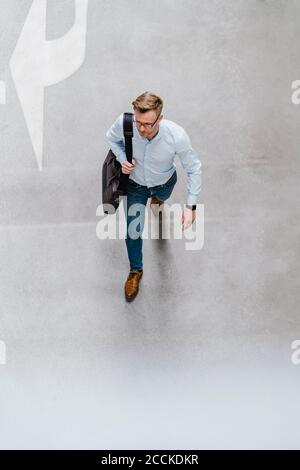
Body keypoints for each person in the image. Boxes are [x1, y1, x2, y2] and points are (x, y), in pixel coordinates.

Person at [106, 91, 202, 302]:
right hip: (136, 185)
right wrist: (122, 159)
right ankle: (135, 270)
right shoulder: (125, 123)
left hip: (164, 182)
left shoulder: (177, 136)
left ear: (161, 118)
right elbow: (111, 138)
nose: (142, 129)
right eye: (139, 122)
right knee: (133, 231)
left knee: (161, 197)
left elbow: (193, 168)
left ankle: (158, 200)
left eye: (148, 124)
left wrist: (191, 206)